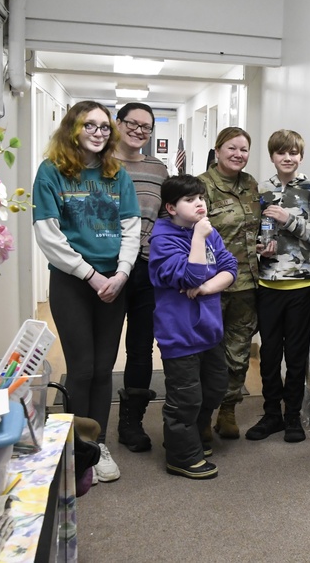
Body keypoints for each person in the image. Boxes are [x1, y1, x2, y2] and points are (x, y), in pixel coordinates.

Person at [32, 100, 141, 483]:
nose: (98, 133)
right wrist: (91, 276)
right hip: (73, 283)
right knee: (80, 368)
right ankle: (76, 449)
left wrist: (122, 273)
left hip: (115, 282)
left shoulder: (116, 174)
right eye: (89, 125)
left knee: (102, 369)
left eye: (104, 127)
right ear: (72, 129)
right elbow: (49, 235)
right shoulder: (51, 173)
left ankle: (98, 445)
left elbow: (131, 227)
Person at [148, 175, 236, 479]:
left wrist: (207, 289)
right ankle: (180, 456)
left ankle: (196, 437)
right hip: (180, 335)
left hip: (209, 331)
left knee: (214, 389)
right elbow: (190, 277)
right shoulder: (164, 239)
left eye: (201, 197)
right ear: (171, 208)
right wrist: (198, 239)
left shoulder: (208, 232)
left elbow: (230, 268)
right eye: (190, 199)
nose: (200, 203)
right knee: (185, 399)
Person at [246, 130, 310, 443]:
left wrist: (289, 219)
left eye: (293, 153)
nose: (287, 158)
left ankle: (292, 417)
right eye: (280, 153)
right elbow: (250, 232)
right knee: (270, 354)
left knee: (296, 355)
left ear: (300, 156)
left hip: (301, 283)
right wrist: (259, 248)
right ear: (272, 156)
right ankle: (272, 413)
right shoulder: (260, 189)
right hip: (268, 284)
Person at [111, 102, 169, 453]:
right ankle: (89, 422)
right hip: (105, 267)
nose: (139, 130)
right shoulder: (98, 164)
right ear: (117, 124)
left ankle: (131, 421)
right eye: (132, 123)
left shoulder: (158, 169)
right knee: (102, 349)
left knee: (141, 346)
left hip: (146, 269)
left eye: (146, 127)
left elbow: (166, 217)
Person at [198, 127, 261, 440]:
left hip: (247, 283)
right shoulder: (202, 186)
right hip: (213, 284)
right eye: (232, 148)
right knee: (208, 350)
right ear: (218, 149)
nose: (238, 154)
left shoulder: (250, 183)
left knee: (237, 352)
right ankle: (201, 415)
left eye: (244, 150)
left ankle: (227, 410)